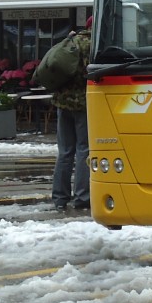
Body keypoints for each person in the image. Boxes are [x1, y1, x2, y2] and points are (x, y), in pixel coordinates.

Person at [51, 17, 92, 212]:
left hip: (62, 103)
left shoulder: (71, 40)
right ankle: (82, 197)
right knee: (84, 149)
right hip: (83, 104)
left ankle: (59, 198)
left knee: (65, 152)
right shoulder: (93, 46)